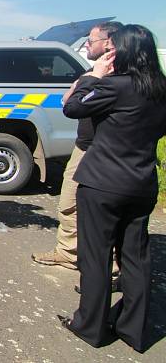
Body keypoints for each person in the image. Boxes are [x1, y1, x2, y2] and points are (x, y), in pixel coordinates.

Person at [58, 24, 166, 353]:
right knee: (135, 257)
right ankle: (132, 329)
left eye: (113, 49)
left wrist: (93, 75)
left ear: (126, 52)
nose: (109, 54)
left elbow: (73, 107)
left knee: (96, 256)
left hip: (103, 184)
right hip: (141, 182)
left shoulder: (117, 86)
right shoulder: (161, 89)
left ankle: (90, 325)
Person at [32, 21, 124, 270]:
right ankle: (68, 251)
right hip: (84, 146)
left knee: (106, 209)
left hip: (105, 151)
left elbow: (72, 104)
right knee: (69, 204)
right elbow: (67, 99)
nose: (87, 44)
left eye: (91, 41)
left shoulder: (118, 76)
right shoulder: (97, 71)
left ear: (108, 43)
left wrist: (92, 78)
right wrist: (91, 75)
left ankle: (113, 263)